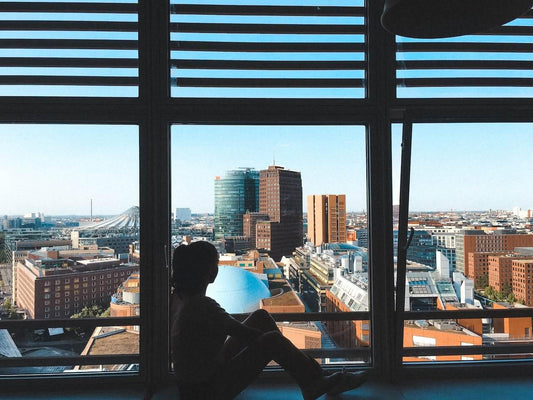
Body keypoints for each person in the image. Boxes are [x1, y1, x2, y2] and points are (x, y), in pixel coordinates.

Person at [170, 241, 368, 400]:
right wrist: (276, 344)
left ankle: (316, 378)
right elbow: (247, 335)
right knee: (271, 339)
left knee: (261, 317)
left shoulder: (181, 300)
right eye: (216, 265)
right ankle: (314, 381)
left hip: (194, 385)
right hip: (206, 392)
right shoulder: (202, 306)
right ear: (210, 273)